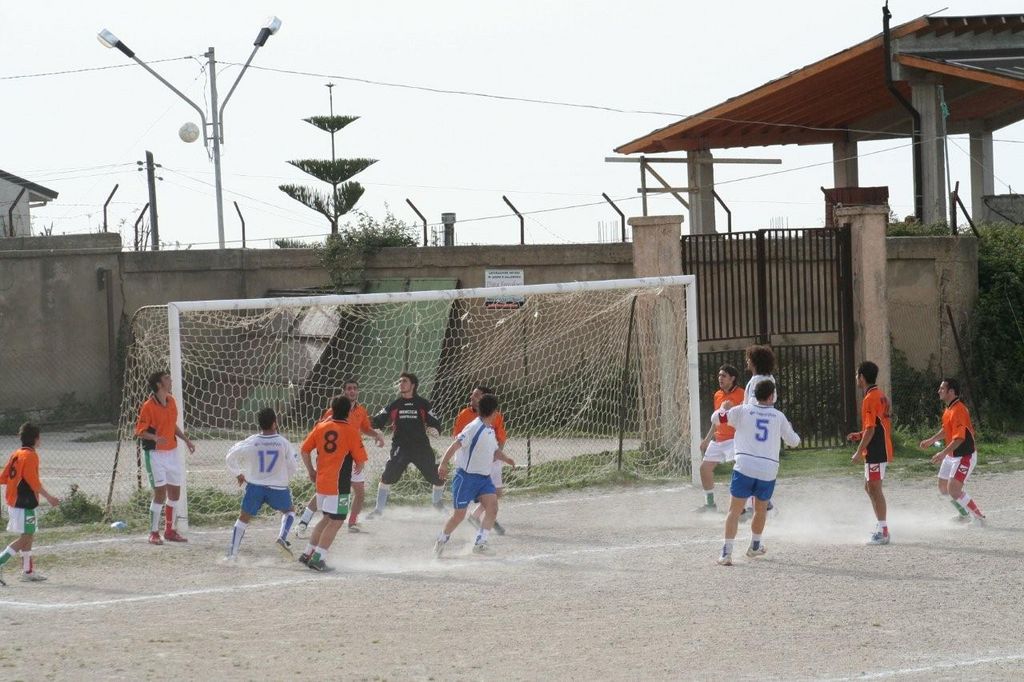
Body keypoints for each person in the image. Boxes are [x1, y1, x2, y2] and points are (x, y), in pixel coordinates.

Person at [714, 379, 800, 566]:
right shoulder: (778, 416)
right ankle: (755, 545)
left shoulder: (742, 410)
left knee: (734, 511)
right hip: (767, 470)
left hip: (744, 466)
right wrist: (791, 428)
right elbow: (794, 442)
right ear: (771, 396)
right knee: (760, 510)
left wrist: (723, 408)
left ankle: (726, 553)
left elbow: (717, 420)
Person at [295, 378, 384, 536]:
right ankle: (304, 522)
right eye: (349, 388)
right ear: (344, 391)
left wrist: (376, 434)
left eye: (354, 388)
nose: (352, 391)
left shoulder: (361, 410)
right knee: (324, 493)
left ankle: (352, 522)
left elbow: (365, 428)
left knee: (359, 492)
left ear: (358, 391)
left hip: (353, 457)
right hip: (334, 459)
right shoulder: (333, 411)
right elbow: (322, 431)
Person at [433, 394, 513, 556]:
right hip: (466, 478)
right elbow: (456, 444)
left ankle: (480, 543)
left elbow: (495, 451)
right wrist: (443, 463)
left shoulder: (489, 430)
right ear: (494, 412)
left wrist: (506, 459)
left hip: (484, 479)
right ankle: (441, 539)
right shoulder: (473, 427)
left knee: (492, 507)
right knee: (459, 516)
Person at [297, 395, 367, 571]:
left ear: (332, 410)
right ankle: (318, 559)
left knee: (327, 518)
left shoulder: (320, 427)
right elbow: (360, 461)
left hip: (321, 482)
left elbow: (304, 450)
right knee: (336, 521)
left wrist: (311, 471)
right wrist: (357, 466)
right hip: (339, 486)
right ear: (348, 412)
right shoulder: (351, 431)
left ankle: (308, 553)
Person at [224, 408, 300, 560]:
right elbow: (293, 465)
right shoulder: (283, 442)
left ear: (260, 424)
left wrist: (238, 473)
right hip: (278, 488)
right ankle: (282, 538)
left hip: (255, 487)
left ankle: (232, 555)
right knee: (290, 511)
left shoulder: (252, 441)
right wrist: (283, 479)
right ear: (274, 423)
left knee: (243, 518)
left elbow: (230, 456)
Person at [367, 373, 444, 517]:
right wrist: (377, 431)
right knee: (387, 477)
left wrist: (435, 429)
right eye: (400, 381)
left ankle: (437, 505)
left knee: (437, 477)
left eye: (404, 381)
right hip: (400, 447)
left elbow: (435, 422)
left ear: (413, 385)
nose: (401, 384)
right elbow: (376, 420)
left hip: (421, 447)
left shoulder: (423, 404)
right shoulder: (395, 404)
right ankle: (378, 510)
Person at [135, 370, 196, 545]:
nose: (170, 380)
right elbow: (139, 431)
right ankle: (154, 532)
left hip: (172, 453)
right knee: (160, 494)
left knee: (175, 494)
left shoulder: (171, 401)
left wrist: (186, 440)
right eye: (167, 378)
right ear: (159, 384)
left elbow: (172, 425)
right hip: (155, 455)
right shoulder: (148, 406)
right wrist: (155, 438)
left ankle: (170, 530)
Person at [918, 378, 986, 525]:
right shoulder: (949, 409)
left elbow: (960, 438)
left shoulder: (959, 410)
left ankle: (979, 518)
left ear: (952, 391)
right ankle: (964, 514)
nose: (939, 391)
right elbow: (946, 429)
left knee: (954, 489)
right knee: (943, 488)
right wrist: (931, 440)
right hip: (952, 455)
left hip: (965, 455)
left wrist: (942, 453)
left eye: (942, 388)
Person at [0, 423, 61, 585]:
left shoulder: (16, 454)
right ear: (36, 439)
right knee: (26, 537)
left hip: (15, 502)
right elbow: (33, 483)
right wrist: (49, 497)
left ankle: (28, 571)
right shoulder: (31, 456)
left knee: (28, 535)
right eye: (40, 437)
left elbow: (3, 477)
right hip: (24, 503)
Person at [847, 361, 894, 545]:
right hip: (879, 447)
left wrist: (859, 451)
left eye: (857, 375)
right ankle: (881, 524)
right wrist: (860, 435)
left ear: (862, 377)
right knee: (869, 487)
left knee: (874, 488)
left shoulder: (869, 399)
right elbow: (875, 426)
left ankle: (883, 531)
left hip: (876, 450)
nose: (856, 378)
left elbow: (872, 429)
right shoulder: (880, 395)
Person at [453, 385, 510, 534]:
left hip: (491, 458)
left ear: (485, 399)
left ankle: (477, 515)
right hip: (471, 462)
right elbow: (457, 438)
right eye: (472, 394)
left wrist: (496, 455)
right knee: (481, 492)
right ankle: (482, 518)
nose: (471, 397)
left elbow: (501, 438)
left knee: (497, 492)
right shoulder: (465, 414)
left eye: (476, 395)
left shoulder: (495, 416)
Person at [696, 365, 745, 512]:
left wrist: (732, 410)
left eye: (723, 375)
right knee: (704, 469)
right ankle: (710, 504)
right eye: (719, 375)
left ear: (732, 378)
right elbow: (716, 419)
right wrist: (707, 439)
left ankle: (744, 507)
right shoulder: (717, 395)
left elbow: (745, 418)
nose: (720, 378)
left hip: (735, 439)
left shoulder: (742, 394)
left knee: (741, 470)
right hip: (719, 440)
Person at [740, 345, 778, 519]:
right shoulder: (766, 378)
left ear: (755, 361)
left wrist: (740, 414)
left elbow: (754, 405)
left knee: (748, 465)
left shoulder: (758, 380)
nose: (747, 361)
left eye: (749, 358)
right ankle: (757, 503)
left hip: (755, 427)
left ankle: (756, 504)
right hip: (762, 427)